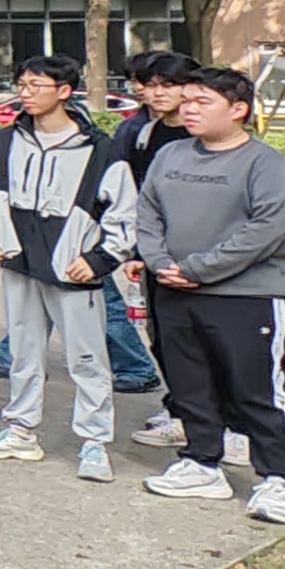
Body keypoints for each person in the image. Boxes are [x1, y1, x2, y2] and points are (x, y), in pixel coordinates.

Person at [116, 65, 285, 524]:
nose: (189, 109)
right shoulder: (171, 155)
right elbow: (148, 212)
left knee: (257, 389)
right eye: (186, 100)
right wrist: (160, 262)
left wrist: (199, 269)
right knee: (190, 384)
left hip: (246, 296)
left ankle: (280, 479)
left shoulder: (266, 165)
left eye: (202, 102)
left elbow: (263, 231)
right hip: (173, 289)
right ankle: (202, 462)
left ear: (238, 109)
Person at [0, 53, 118, 478]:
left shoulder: (98, 149)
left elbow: (122, 209)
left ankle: (94, 442)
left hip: (73, 267)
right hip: (20, 261)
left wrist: (101, 259)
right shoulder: (6, 141)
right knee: (24, 350)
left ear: (65, 91)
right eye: (22, 85)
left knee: (87, 357)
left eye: (36, 86)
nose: (26, 93)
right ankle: (20, 429)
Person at [98, 52, 199, 441]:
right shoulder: (143, 133)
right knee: (163, 336)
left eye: (167, 85)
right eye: (150, 85)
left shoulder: (202, 135)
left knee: (201, 339)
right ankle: (182, 411)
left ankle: (215, 422)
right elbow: (138, 197)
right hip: (155, 252)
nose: (156, 93)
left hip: (199, 254)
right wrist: (137, 252)